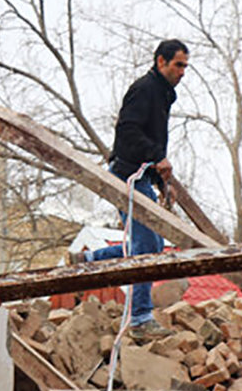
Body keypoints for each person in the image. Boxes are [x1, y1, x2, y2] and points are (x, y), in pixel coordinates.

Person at [71, 39, 188, 341]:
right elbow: (127, 132)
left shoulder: (163, 95)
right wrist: (156, 157)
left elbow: (154, 145)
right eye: (178, 65)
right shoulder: (144, 90)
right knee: (147, 245)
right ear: (160, 62)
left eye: (186, 66)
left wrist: (164, 184)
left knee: (147, 245)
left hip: (142, 177)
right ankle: (139, 318)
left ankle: (91, 261)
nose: (183, 72)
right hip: (127, 176)